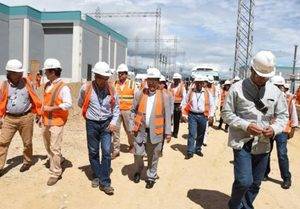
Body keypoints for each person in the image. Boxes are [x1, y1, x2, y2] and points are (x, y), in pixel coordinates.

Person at [222, 51, 288, 209]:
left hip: (264, 143)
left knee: (256, 183)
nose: (262, 79)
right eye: (259, 75)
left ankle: (244, 205)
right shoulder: (237, 89)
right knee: (244, 180)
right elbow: (226, 114)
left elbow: (283, 116)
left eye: (266, 77)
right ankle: (235, 205)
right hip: (242, 142)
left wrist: (273, 129)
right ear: (251, 69)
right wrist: (246, 125)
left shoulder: (276, 92)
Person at [78, 61, 119, 195]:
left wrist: (113, 122)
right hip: (92, 123)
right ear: (95, 76)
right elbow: (81, 103)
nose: (103, 80)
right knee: (93, 151)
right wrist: (91, 113)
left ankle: (105, 183)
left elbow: (117, 108)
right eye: (101, 77)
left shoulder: (112, 89)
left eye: (106, 78)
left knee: (106, 152)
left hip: (107, 124)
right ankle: (96, 175)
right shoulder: (86, 88)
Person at [130, 68, 172, 189]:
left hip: (156, 132)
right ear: (147, 81)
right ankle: (138, 170)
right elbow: (133, 110)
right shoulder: (140, 93)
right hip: (140, 131)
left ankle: (151, 176)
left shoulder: (165, 96)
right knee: (138, 154)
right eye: (150, 80)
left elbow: (167, 116)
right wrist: (133, 122)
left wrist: (168, 133)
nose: (152, 83)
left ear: (159, 82)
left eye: (155, 81)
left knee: (153, 156)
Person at [0, 59, 42, 176]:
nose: (20, 74)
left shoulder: (27, 82)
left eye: (20, 72)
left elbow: (35, 98)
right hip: (9, 119)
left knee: (27, 142)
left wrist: (39, 114)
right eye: (17, 73)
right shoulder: (3, 85)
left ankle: (27, 161)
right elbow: (1, 102)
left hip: (26, 117)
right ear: (10, 73)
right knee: (3, 142)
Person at [41, 58, 72, 186]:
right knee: (48, 145)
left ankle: (56, 172)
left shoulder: (63, 87)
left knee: (55, 147)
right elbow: (45, 102)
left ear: (53, 72)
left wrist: (53, 108)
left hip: (57, 122)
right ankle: (57, 160)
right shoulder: (47, 85)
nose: (45, 74)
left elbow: (68, 104)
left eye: (46, 71)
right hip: (45, 121)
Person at [264, 75, 298, 189]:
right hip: (269, 129)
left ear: (282, 87)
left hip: (282, 130)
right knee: (266, 152)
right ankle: (264, 173)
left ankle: (286, 178)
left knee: (282, 154)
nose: (276, 89)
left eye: (278, 87)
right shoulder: (267, 98)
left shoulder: (288, 98)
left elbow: (293, 114)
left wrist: (293, 127)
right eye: (274, 86)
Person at [181, 75, 214, 159]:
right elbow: (185, 102)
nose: (199, 84)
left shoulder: (207, 92)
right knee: (192, 133)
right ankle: (190, 151)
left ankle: (198, 149)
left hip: (203, 116)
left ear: (203, 84)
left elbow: (212, 104)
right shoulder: (191, 91)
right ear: (195, 83)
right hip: (192, 115)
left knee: (201, 133)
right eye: (197, 83)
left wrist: (211, 115)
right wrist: (184, 114)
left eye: (200, 83)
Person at [112, 63, 135, 158]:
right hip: (116, 111)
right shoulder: (115, 84)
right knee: (115, 130)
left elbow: (136, 98)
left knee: (130, 130)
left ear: (126, 74)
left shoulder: (132, 84)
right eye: (119, 73)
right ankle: (116, 150)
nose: (120, 75)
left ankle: (132, 145)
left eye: (122, 73)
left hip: (128, 111)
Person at [168, 73, 186, 138]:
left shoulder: (182, 87)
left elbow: (184, 97)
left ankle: (175, 133)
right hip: (170, 104)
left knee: (176, 120)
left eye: (177, 79)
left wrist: (181, 106)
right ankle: (168, 132)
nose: (175, 81)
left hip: (178, 105)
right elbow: (167, 93)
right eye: (175, 79)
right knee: (169, 119)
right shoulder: (170, 85)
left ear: (179, 80)